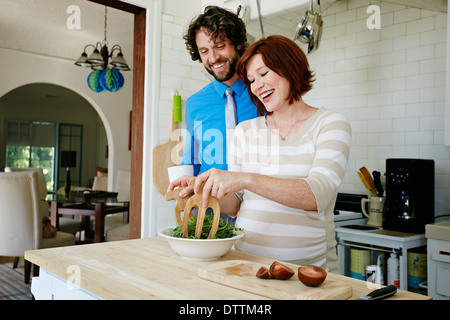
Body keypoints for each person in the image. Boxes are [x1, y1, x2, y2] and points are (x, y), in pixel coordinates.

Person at [173, 35, 351, 273]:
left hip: (309, 274)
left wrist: (246, 179)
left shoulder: (329, 124)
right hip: (248, 268)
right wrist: (202, 186)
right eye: (251, 80)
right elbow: (235, 204)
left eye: (264, 74)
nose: (257, 86)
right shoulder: (246, 131)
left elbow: (315, 196)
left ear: (290, 67)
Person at [180, 5, 258, 177]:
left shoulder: (262, 93)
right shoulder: (195, 104)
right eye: (204, 51)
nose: (213, 58)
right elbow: (191, 161)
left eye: (220, 46)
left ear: (238, 43)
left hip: (257, 198)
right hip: (212, 200)